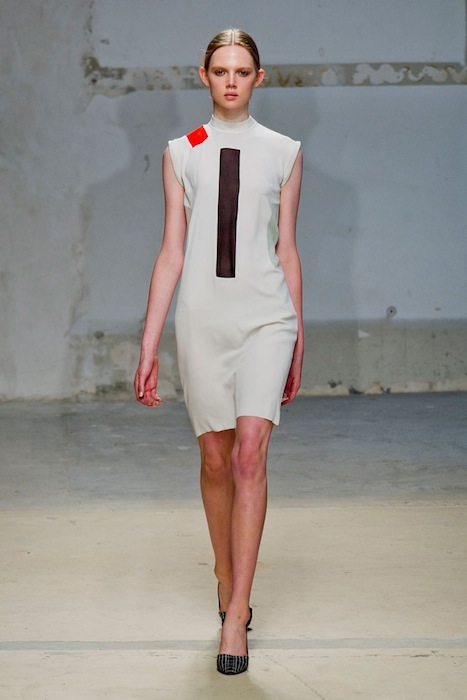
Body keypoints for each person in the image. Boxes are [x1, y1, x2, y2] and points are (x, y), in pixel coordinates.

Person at [134, 28, 303, 675]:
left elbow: (287, 249)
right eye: (221, 70)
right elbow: (172, 250)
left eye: (242, 71)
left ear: (260, 77)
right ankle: (224, 573)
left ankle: (236, 613)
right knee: (214, 457)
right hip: (202, 320)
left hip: (266, 318)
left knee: (250, 453)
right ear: (203, 76)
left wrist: (298, 334)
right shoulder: (182, 151)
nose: (232, 81)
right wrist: (148, 342)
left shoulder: (285, 152)